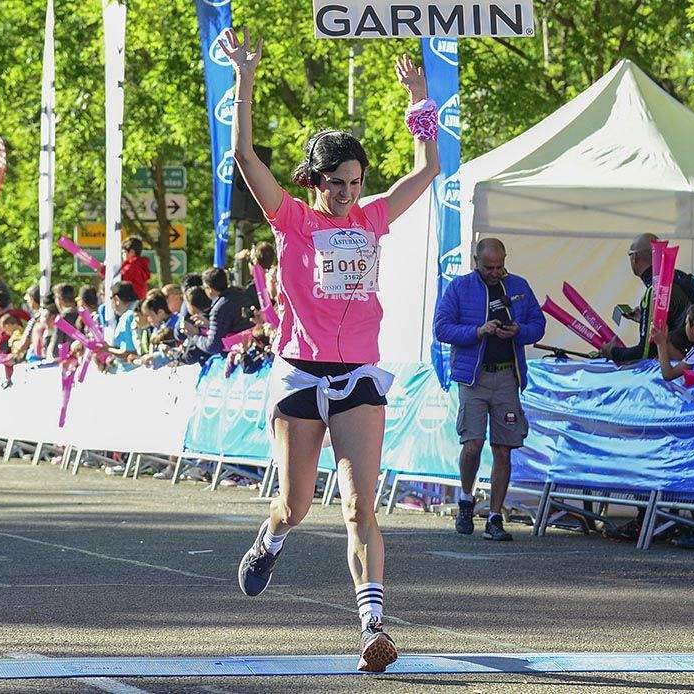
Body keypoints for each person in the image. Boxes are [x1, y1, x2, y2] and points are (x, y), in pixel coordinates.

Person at [222, 27, 439, 672]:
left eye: (355, 180)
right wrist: (246, 77)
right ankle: (271, 536)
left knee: (359, 506)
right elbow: (242, 153)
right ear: (316, 180)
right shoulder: (292, 219)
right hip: (300, 376)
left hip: (358, 380)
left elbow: (429, 170)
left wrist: (421, 101)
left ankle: (373, 622)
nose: (347, 191)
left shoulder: (372, 218)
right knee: (295, 505)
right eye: (336, 181)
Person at [433, 237, 545, 541]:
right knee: (472, 444)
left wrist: (519, 331)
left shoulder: (519, 286)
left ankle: (495, 516)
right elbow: (441, 328)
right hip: (473, 377)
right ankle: (466, 498)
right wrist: (478, 331)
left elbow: (539, 324)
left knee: (504, 449)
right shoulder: (459, 287)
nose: (496, 272)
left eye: (500, 266)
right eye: (489, 267)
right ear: (475, 261)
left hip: (508, 376)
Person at [601, 234, 692, 363]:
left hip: (680, 365)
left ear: (635, 258)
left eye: (630, 254)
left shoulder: (654, 290)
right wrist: (645, 318)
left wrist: (613, 352)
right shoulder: (678, 276)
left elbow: (645, 352)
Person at [121, 235, 152, 300]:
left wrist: (102, 269)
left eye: (123, 252)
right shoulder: (140, 264)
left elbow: (119, 278)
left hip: (131, 299)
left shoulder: (132, 266)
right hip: (138, 299)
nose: (122, 255)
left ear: (132, 252)